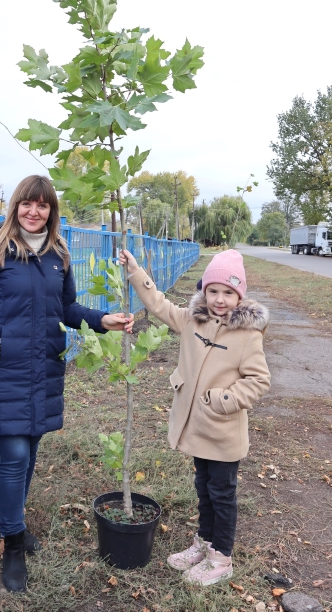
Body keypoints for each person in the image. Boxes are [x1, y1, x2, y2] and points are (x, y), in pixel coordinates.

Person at [0, 175, 133, 592]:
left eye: (43, 205)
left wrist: (103, 320)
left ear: (51, 211)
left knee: (32, 450)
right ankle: (14, 544)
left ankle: (11, 525)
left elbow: (68, 307)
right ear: (16, 206)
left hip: (44, 365)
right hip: (5, 365)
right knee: (14, 454)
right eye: (27, 204)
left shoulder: (59, 253)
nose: (34, 212)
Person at [118, 248, 270, 586]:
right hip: (196, 428)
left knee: (222, 494)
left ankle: (221, 558)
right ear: (204, 290)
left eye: (228, 292)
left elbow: (259, 380)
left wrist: (223, 400)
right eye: (213, 290)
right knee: (203, 488)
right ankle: (204, 542)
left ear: (239, 295)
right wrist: (135, 270)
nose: (219, 299)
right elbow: (157, 304)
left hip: (223, 432)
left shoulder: (247, 335)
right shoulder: (191, 319)